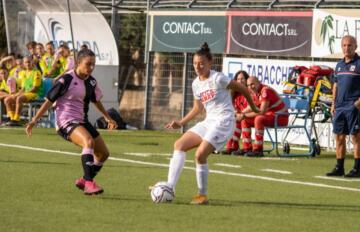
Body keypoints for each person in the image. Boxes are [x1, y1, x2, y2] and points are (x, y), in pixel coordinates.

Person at [153, 43, 259, 205]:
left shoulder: (218, 78)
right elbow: (198, 107)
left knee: (199, 155)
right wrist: (181, 122)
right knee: (179, 145)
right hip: (209, 121)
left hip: (224, 121)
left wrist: (252, 107)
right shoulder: (196, 83)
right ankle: (170, 187)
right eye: (195, 63)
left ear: (210, 63)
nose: (198, 66)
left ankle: (202, 196)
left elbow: (242, 89)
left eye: (202, 63)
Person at [25, 49, 118, 195]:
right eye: (88, 64)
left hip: (82, 121)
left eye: (93, 64)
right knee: (88, 142)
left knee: (103, 154)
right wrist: (34, 120)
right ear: (78, 63)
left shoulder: (91, 81)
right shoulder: (66, 79)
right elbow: (49, 101)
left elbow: (96, 101)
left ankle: (84, 179)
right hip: (65, 121)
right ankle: (89, 183)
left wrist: (107, 117)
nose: (91, 67)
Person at [326, 35, 360, 178]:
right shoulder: (339, 65)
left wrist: (357, 103)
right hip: (340, 106)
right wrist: (334, 103)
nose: (347, 48)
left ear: (356, 47)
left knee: (356, 138)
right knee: (339, 137)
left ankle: (357, 168)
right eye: (344, 45)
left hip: (354, 106)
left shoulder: (359, 64)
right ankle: (339, 167)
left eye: (350, 45)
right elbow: (336, 85)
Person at [240, 76, 289, 157]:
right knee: (244, 120)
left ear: (258, 83)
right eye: (248, 85)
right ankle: (247, 148)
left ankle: (258, 150)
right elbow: (251, 107)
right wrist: (241, 114)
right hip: (271, 116)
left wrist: (243, 115)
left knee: (258, 118)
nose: (250, 87)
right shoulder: (255, 91)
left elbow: (262, 111)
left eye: (252, 84)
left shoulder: (265, 91)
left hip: (280, 118)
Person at [222, 70, 257, 155]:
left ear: (247, 80)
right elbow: (231, 108)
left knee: (240, 120)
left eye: (242, 79)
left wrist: (241, 115)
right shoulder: (234, 93)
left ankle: (247, 148)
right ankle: (231, 147)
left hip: (251, 116)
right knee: (231, 119)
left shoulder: (250, 91)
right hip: (240, 116)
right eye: (238, 79)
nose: (240, 81)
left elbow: (253, 108)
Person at [4, 56, 43, 125]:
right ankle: (11, 118)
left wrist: (21, 94)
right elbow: (23, 88)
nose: (27, 64)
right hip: (26, 93)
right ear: (23, 64)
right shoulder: (22, 73)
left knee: (19, 98)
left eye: (29, 62)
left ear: (32, 62)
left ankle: (16, 119)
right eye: (26, 62)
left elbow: (35, 89)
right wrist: (17, 93)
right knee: (7, 99)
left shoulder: (37, 73)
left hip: (35, 94)